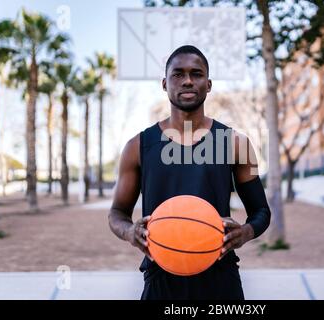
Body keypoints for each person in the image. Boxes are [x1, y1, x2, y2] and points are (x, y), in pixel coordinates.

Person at [108, 45, 271, 300]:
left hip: (219, 276)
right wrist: (130, 232)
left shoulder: (238, 143)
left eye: (196, 74)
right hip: (160, 277)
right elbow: (117, 213)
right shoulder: (137, 147)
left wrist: (245, 233)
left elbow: (261, 211)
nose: (187, 81)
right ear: (164, 83)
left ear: (208, 84)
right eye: (178, 74)